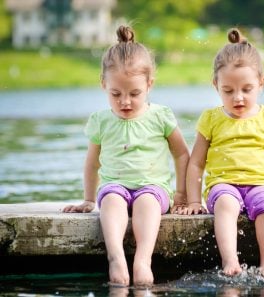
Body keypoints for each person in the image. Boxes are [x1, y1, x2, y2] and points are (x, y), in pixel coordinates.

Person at [63, 25, 189, 287]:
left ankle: (143, 260)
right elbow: (92, 163)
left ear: (149, 85)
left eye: (134, 94)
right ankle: (116, 257)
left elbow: (181, 154)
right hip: (114, 186)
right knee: (110, 200)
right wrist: (88, 198)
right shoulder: (100, 121)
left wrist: (181, 193)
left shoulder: (160, 116)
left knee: (146, 202)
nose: (125, 102)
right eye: (116, 94)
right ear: (103, 85)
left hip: (153, 188)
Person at [185, 28, 264, 279]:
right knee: (225, 204)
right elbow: (196, 164)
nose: (238, 97)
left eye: (247, 89)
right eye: (228, 90)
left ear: (261, 83)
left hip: (261, 184)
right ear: (216, 85)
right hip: (224, 184)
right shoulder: (211, 119)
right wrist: (193, 201)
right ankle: (230, 260)